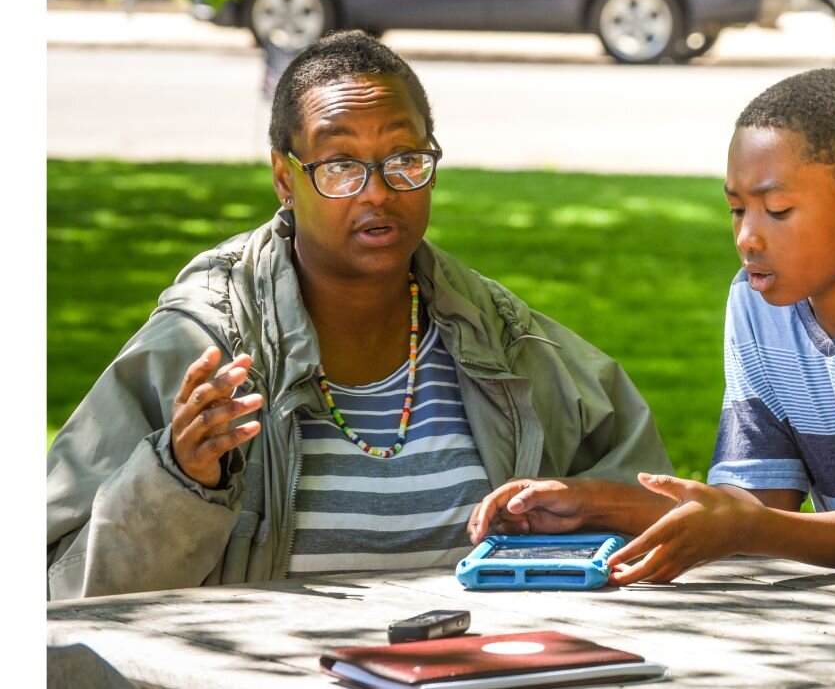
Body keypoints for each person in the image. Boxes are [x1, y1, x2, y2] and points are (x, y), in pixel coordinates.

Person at [47, 31, 672, 600]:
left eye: (405, 157)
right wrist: (178, 481)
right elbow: (60, 593)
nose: (378, 191)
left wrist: (589, 508)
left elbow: (667, 519)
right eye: (340, 165)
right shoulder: (202, 350)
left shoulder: (505, 343)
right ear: (284, 178)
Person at [469, 67, 835, 583]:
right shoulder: (757, 304)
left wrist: (745, 527)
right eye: (737, 209)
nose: (746, 238)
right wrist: (590, 503)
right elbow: (757, 507)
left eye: (777, 210)